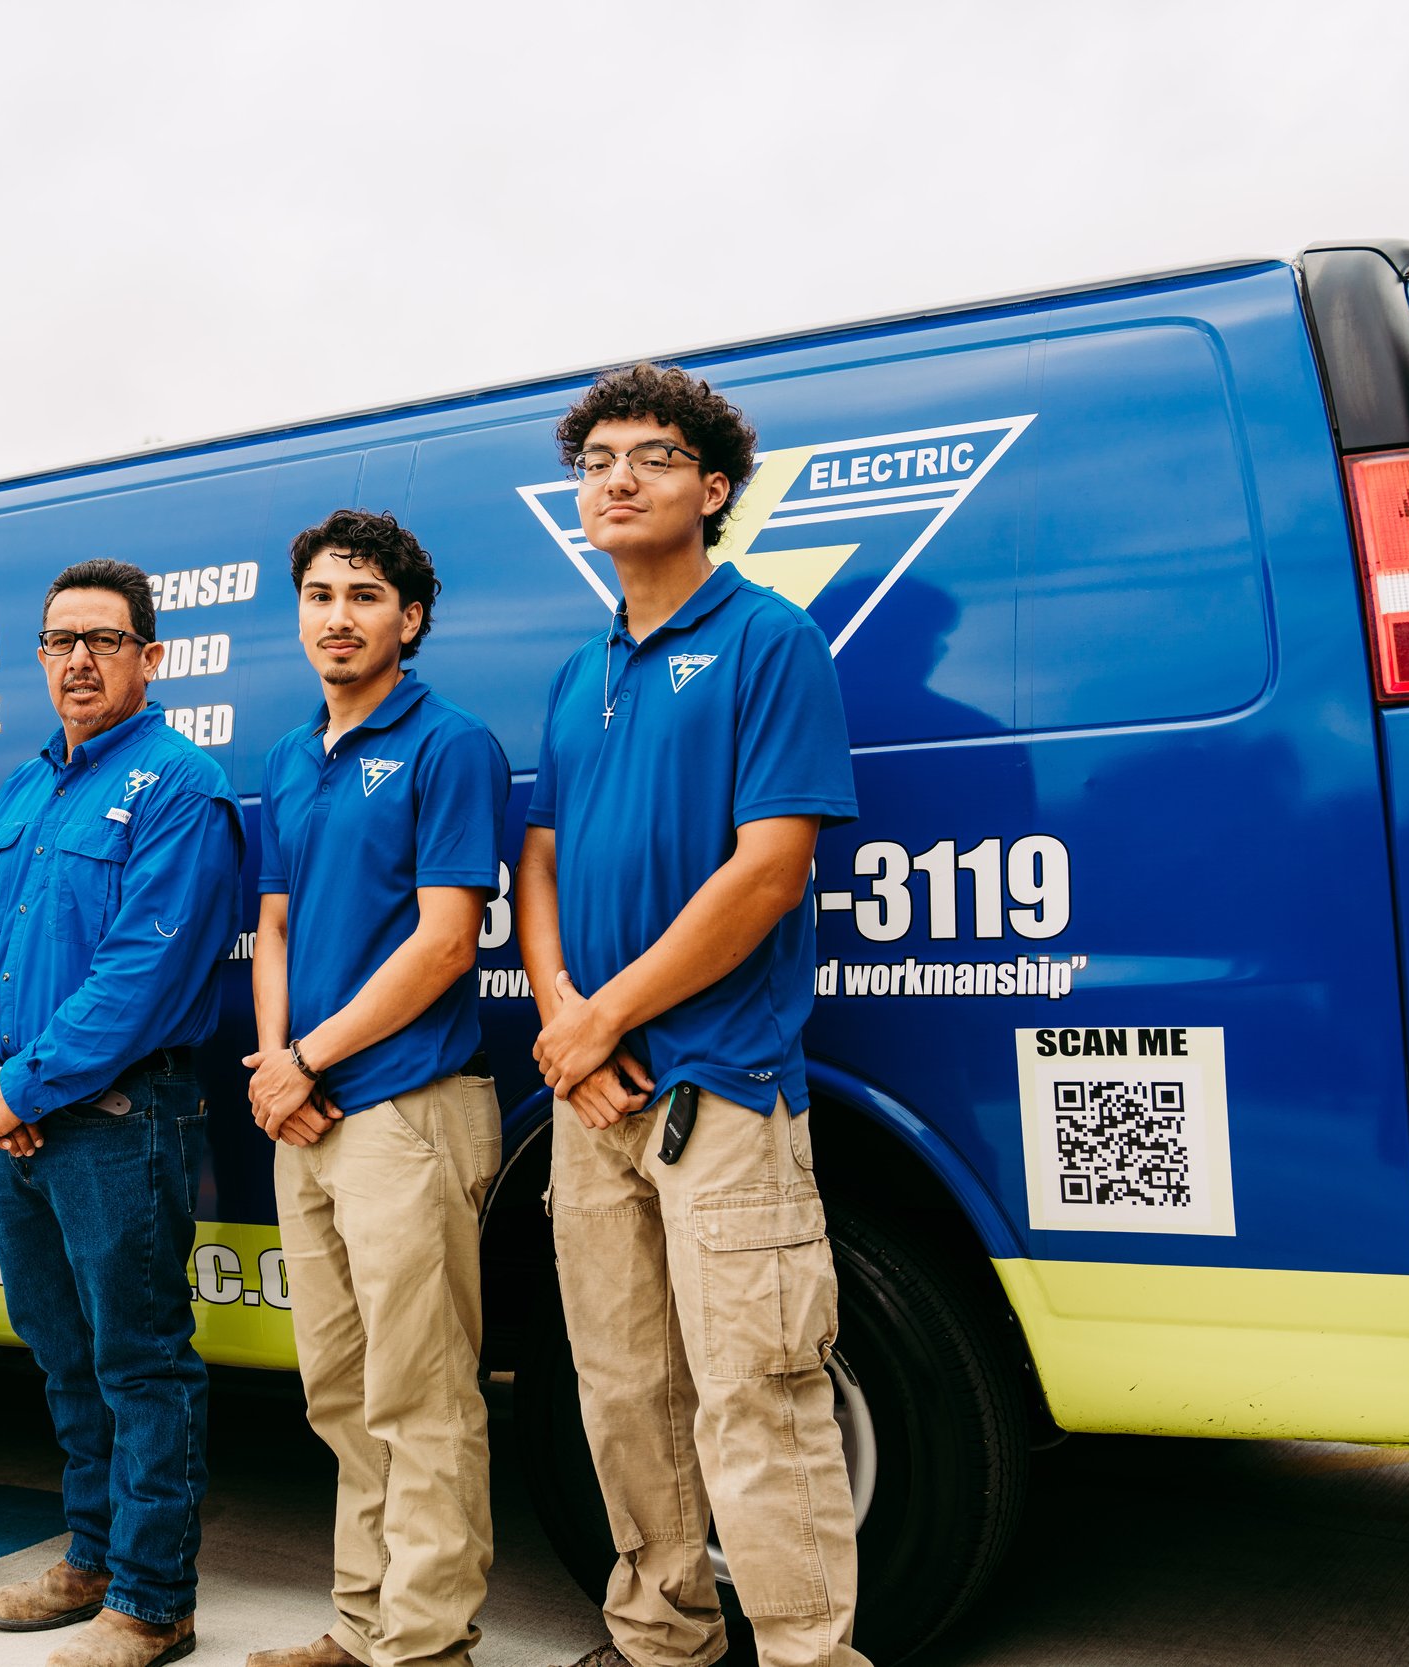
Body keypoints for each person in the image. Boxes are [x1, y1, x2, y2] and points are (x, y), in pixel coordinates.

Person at [520, 364, 864, 1667]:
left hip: (719, 1085)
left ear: (713, 489)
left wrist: (602, 1015)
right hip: (591, 1093)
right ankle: (659, 1637)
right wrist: (566, 1021)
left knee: (757, 1396)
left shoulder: (770, 640)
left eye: (653, 456)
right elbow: (539, 859)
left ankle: (811, 1653)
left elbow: (769, 871)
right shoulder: (581, 668)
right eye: (597, 460)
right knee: (622, 1392)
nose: (617, 478)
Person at [0, 558, 243, 1667]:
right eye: (60, 640)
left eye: (104, 640)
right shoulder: (23, 790)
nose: (79, 659)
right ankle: (92, 1556)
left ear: (149, 656)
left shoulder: (179, 784)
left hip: (118, 1118)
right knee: (61, 1353)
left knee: (140, 1361)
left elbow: (142, 972)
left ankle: (155, 1601)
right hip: (18, 1126)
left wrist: (18, 1086)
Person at [243, 511, 510, 1667]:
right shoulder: (289, 756)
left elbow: (446, 940)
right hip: (302, 1112)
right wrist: (275, 1063)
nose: (337, 616)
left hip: (406, 1107)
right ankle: (363, 1621)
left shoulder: (449, 744)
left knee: (422, 1389)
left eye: (363, 595)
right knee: (339, 1390)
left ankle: (428, 1639)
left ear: (410, 616)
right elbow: (273, 925)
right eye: (319, 594)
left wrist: (309, 1057)